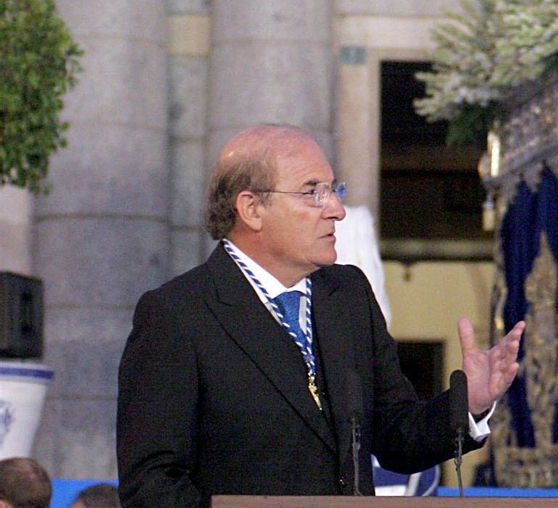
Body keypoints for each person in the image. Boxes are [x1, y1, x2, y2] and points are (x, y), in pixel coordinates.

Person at [117, 124, 525, 506]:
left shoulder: (347, 295)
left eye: (333, 190)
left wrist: (467, 404)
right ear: (251, 208)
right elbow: (152, 482)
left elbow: (394, 434)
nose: (336, 210)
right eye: (312, 192)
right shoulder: (179, 313)